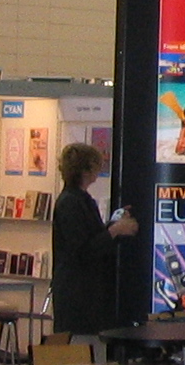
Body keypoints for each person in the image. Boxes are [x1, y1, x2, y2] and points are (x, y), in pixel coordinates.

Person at [50, 142, 135, 339]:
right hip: (78, 295)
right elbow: (83, 251)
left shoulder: (82, 200)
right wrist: (114, 231)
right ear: (87, 169)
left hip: (90, 293)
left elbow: (92, 238)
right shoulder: (70, 203)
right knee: (82, 353)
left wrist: (114, 226)